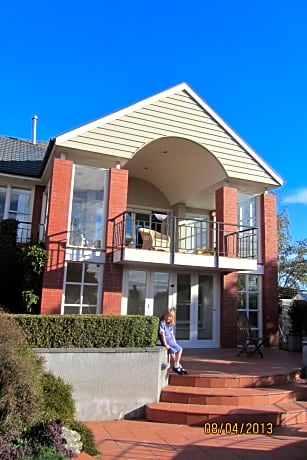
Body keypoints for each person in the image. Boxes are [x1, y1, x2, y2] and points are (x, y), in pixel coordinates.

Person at [159, 307, 188, 375]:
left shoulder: (169, 324)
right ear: (164, 315)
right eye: (168, 316)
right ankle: (176, 366)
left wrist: (174, 341)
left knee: (173, 353)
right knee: (180, 349)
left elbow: (172, 334)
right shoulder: (162, 323)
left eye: (170, 317)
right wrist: (165, 343)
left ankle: (179, 366)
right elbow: (162, 334)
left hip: (170, 339)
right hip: (167, 340)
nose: (169, 318)